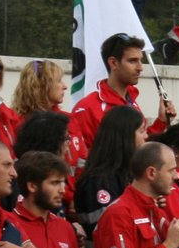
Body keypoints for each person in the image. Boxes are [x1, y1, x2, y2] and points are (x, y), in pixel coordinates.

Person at [75, 107, 147, 248]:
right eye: (141, 131)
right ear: (124, 136)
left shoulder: (128, 176)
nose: (146, 137)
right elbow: (110, 230)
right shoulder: (97, 181)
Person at [69, 33, 172, 167]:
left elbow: (138, 148)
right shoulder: (87, 108)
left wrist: (161, 122)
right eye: (133, 61)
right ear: (113, 63)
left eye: (141, 60)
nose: (140, 67)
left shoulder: (132, 101)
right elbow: (81, 162)